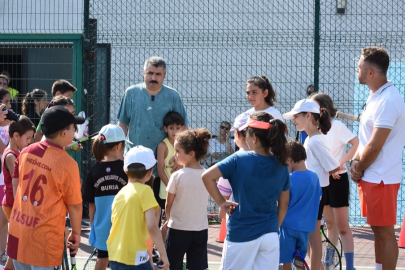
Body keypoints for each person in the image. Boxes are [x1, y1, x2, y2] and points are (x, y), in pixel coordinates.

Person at [202, 112, 290, 270]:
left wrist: (221, 202)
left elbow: (207, 177)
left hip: (241, 233)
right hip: (270, 235)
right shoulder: (281, 165)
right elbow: (283, 204)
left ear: (254, 138)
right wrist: (273, 227)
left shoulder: (238, 159)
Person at [8, 105, 84, 268]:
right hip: (44, 239)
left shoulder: (26, 151)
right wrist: (76, 232)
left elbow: (16, 183)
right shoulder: (68, 163)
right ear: (64, 133)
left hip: (18, 231)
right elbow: (75, 206)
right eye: (73, 128)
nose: (75, 133)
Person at [350, 47, 405, 270]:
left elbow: (375, 144)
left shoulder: (389, 100)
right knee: (377, 229)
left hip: (381, 176)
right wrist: (356, 163)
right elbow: (365, 139)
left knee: (384, 231)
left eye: (360, 66)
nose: (357, 69)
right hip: (371, 174)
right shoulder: (375, 96)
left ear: (371, 72)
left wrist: (358, 167)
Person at [283, 99, 339, 270]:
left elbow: (333, 166)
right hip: (311, 193)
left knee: (314, 238)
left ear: (308, 116)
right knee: (309, 237)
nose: (294, 120)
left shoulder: (315, 141)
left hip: (315, 194)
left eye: (296, 116)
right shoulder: (310, 140)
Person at [310, 93, 358, 269]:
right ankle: (329, 262)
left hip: (338, 180)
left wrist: (341, 162)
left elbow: (355, 142)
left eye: (313, 107)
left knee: (343, 226)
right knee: (330, 224)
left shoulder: (337, 125)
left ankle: (350, 266)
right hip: (322, 181)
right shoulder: (313, 129)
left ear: (322, 108)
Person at [107, 145, 169, 270]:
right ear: (151, 171)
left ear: (125, 170)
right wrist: (164, 255)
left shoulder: (120, 193)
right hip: (135, 259)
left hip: (115, 256)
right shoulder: (146, 191)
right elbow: (152, 226)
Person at [117, 57, 188, 156]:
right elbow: (122, 125)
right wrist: (119, 153)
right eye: (150, 73)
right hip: (134, 156)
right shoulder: (131, 93)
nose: (153, 78)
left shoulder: (173, 96)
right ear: (144, 73)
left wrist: (180, 154)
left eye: (158, 74)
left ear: (164, 76)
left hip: (165, 160)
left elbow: (183, 127)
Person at [163, 128, 211, 270]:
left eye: (178, 151)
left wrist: (168, 218)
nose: (175, 154)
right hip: (200, 229)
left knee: (172, 265)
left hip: (178, 228)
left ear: (191, 154)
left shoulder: (177, 176)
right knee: (197, 266)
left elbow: (168, 203)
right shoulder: (207, 175)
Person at [83, 124, 128, 270]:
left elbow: (92, 204)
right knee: (124, 262)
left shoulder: (93, 171)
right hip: (124, 227)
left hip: (103, 228)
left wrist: (93, 225)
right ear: (119, 146)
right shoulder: (126, 169)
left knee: (102, 261)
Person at [279, 140, 321, 270]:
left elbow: (283, 202)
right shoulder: (314, 177)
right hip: (305, 228)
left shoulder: (288, 179)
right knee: (299, 261)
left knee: (286, 261)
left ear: (289, 159)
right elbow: (317, 198)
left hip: (288, 227)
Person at [1, 116, 35, 270]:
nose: (29, 142)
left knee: (16, 247)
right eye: (28, 138)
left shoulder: (15, 153)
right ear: (16, 136)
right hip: (13, 204)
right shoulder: (11, 156)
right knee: (20, 245)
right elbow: (19, 181)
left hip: (13, 203)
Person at [155, 111, 184, 243]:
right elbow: (160, 171)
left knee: (179, 221)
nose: (175, 131)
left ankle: (174, 248)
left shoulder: (185, 146)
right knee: (166, 221)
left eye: (178, 128)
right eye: (171, 128)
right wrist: (171, 188)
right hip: (165, 192)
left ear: (182, 128)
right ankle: (163, 251)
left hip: (181, 192)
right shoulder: (163, 146)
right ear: (165, 129)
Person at [217, 112, 250, 219]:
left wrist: (222, 216)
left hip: (237, 219)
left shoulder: (232, 162)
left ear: (237, 135)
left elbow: (224, 199)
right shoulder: (269, 159)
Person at [0, 88, 12, 263]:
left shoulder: (8, 126)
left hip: (4, 179)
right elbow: (5, 152)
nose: (9, 107)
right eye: (5, 103)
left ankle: (3, 252)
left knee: (4, 219)